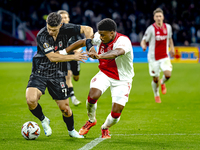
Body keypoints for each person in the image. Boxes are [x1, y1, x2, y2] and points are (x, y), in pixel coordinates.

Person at [26, 12, 93, 138]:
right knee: (31, 100)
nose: (50, 32)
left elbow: (87, 29)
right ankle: (43, 119)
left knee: (65, 109)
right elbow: (52, 57)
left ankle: (71, 131)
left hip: (57, 73)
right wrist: (73, 56)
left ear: (60, 25)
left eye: (54, 29)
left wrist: (89, 43)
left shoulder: (66, 28)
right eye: (49, 28)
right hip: (40, 71)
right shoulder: (42, 35)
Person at [78, 18, 134, 138]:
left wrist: (99, 55)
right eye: (100, 34)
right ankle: (91, 120)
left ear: (112, 33)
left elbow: (116, 52)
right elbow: (84, 41)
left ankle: (105, 127)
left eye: (103, 35)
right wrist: (64, 52)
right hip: (105, 73)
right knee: (93, 96)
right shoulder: (99, 36)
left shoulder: (123, 41)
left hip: (122, 80)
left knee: (116, 113)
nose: (100, 37)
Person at [140, 8, 175, 103]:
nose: (159, 18)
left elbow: (170, 38)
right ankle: (156, 95)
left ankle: (162, 82)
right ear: (154, 18)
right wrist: (143, 46)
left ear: (163, 17)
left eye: (160, 16)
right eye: (157, 16)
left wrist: (172, 48)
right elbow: (143, 40)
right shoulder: (151, 29)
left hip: (164, 56)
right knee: (155, 78)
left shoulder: (168, 27)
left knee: (168, 75)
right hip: (153, 58)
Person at [57, 10, 82, 106]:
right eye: (61, 18)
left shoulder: (74, 30)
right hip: (64, 57)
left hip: (75, 57)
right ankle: (73, 97)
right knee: (68, 75)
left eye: (65, 17)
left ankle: (70, 93)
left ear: (68, 19)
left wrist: (78, 50)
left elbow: (81, 42)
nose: (63, 19)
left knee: (76, 77)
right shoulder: (55, 31)